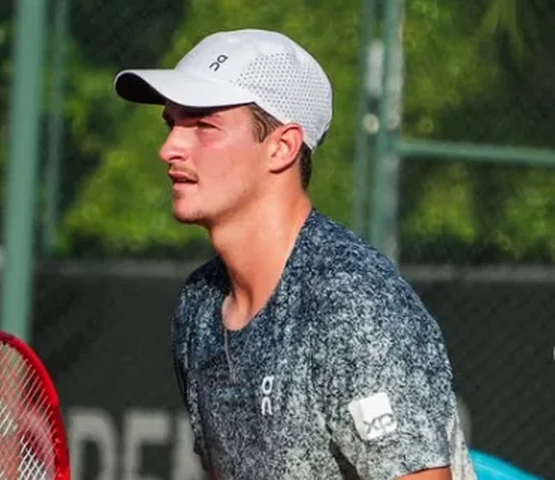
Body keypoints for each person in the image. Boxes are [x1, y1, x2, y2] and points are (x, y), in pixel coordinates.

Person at [113, 28, 477, 479]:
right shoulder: (200, 303)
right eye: (172, 124)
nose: (170, 148)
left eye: (204, 126)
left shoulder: (351, 303)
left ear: (282, 147)